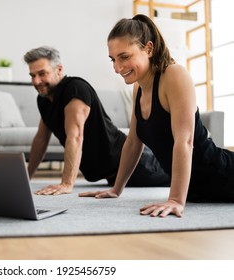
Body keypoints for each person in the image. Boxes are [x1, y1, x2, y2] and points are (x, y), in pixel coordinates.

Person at [80, 14, 234, 217]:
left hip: (224, 175)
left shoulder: (174, 75)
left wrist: (176, 200)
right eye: (113, 59)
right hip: (197, 191)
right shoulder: (139, 89)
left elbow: (185, 141)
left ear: (149, 49)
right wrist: (116, 190)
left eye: (124, 57)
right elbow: (134, 143)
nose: (117, 68)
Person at [23, 46, 170, 195]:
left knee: (186, 179)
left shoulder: (74, 89)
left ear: (59, 69)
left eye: (42, 74)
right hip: (115, 175)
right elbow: (41, 140)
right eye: (32, 75)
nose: (36, 81)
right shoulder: (44, 100)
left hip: (138, 164)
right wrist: (25, 178)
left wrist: (66, 183)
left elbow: (75, 136)